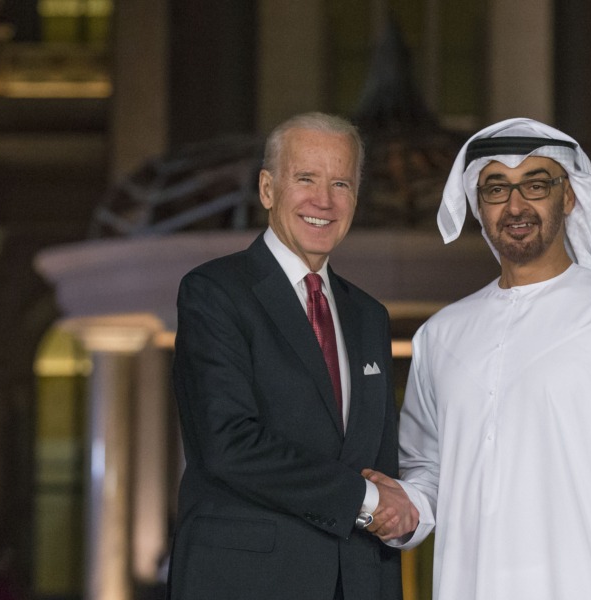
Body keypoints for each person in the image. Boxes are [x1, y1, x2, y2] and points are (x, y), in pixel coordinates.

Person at [368, 118, 591, 599]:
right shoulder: (441, 335)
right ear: (478, 205)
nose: (516, 206)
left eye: (536, 185)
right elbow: (428, 471)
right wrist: (398, 505)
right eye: (496, 189)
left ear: (568, 196)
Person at [167, 112, 415, 599]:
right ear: (267, 189)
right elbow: (228, 444)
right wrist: (366, 500)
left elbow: (381, 463)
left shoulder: (369, 316)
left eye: (341, 184)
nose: (324, 201)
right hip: (246, 584)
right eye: (306, 179)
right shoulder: (214, 292)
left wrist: (397, 517)